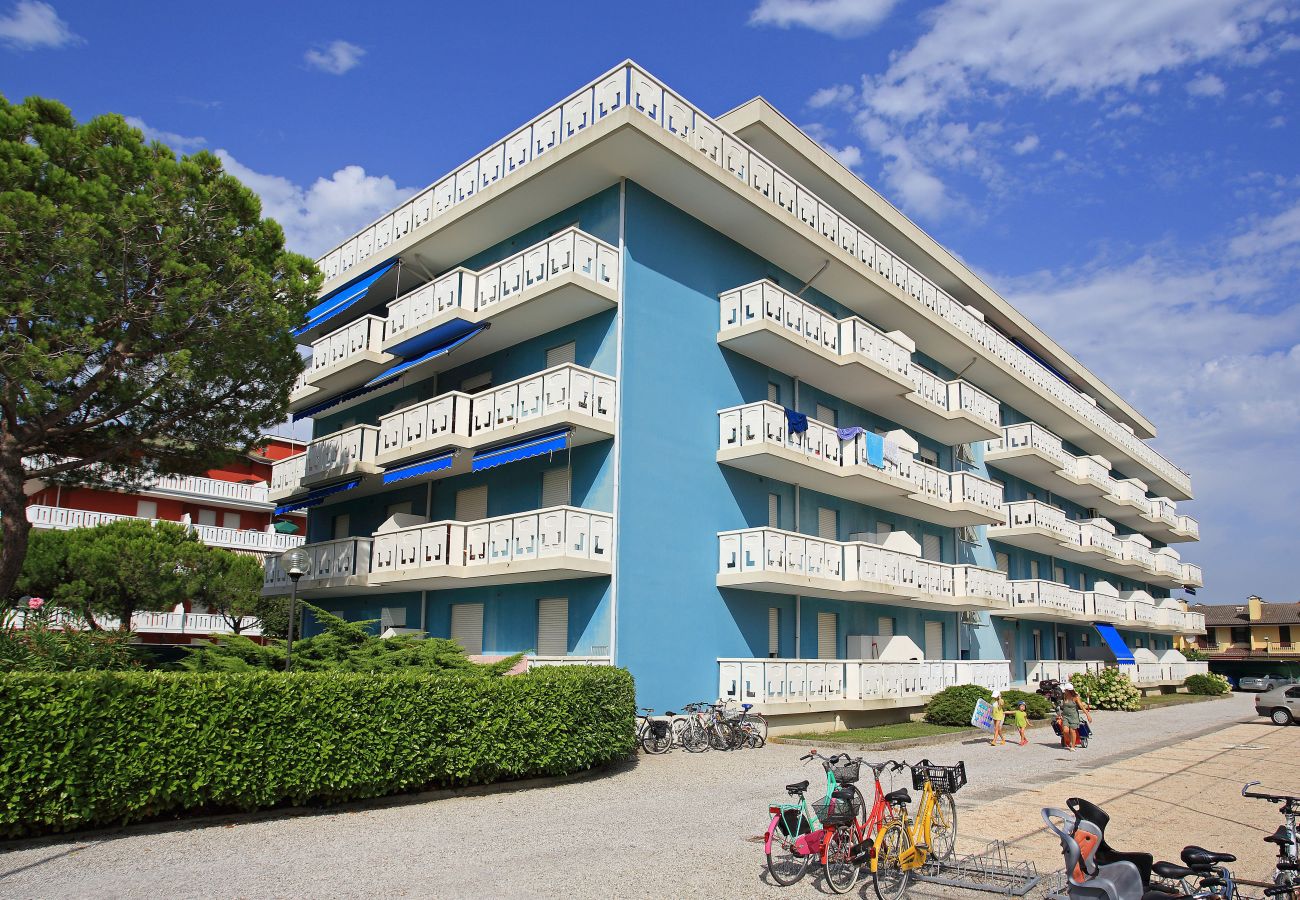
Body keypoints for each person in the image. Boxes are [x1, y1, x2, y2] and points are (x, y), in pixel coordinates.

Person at [1060, 687, 1091, 751]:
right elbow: (1062, 707)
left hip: (1073, 717)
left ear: (1069, 690)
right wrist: (1060, 715)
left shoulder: (1075, 697)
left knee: (1072, 730)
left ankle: (1073, 746)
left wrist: (1088, 715)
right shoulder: (1064, 696)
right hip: (1065, 716)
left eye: (1065, 690)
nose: (1064, 691)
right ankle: (1070, 741)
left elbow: (1082, 707)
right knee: (1065, 731)